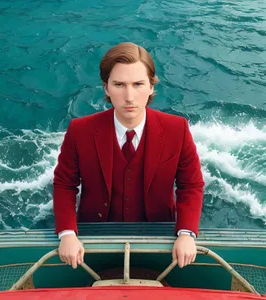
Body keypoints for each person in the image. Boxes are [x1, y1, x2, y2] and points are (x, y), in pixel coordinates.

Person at [53, 42, 204, 270]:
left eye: (138, 84)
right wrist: (67, 233)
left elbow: (191, 184)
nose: (129, 96)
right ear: (106, 88)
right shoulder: (79, 130)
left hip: (158, 236)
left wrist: (186, 233)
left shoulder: (177, 129)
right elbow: (64, 184)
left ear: (152, 86)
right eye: (119, 84)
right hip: (93, 238)